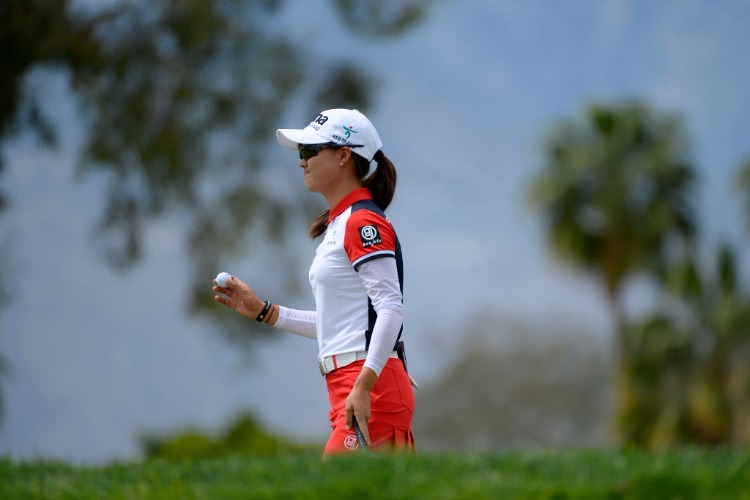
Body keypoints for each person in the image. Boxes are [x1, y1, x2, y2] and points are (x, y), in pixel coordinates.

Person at [212, 108, 416, 455]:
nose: (301, 162)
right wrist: (265, 311)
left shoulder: (362, 223)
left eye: (309, 151)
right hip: (351, 385)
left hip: (371, 386)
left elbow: (391, 309)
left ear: (343, 156)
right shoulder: (339, 224)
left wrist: (364, 385)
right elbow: (342, 324)